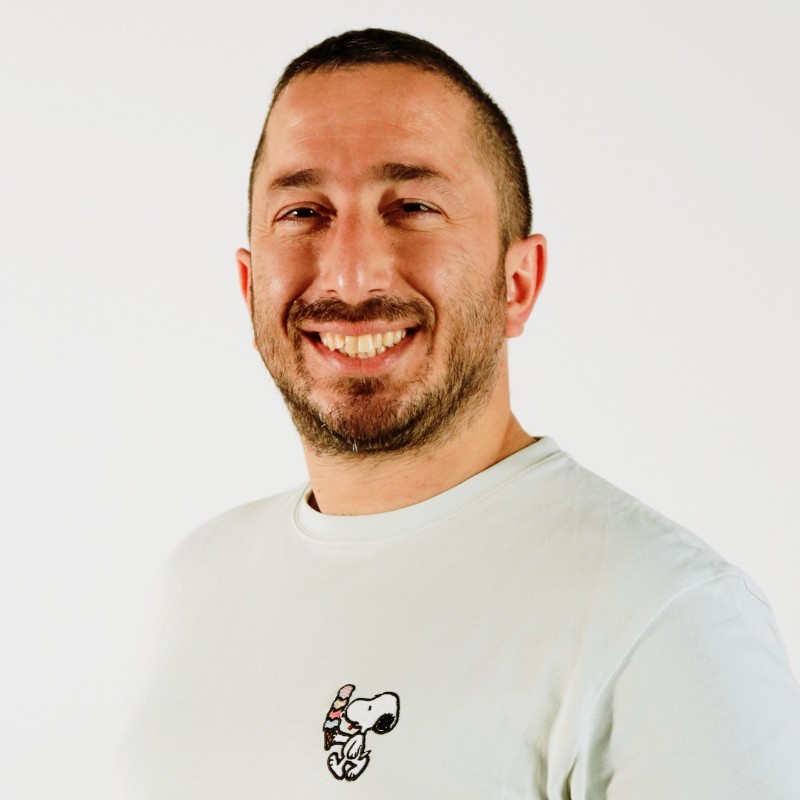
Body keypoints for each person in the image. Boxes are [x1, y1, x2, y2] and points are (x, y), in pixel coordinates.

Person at [120, 29, 800, 798]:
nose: (350, 273)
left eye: (413, 206)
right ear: (249, 285)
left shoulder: (667, 622)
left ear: (518, 284)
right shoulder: (197, 581)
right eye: (304, 211)